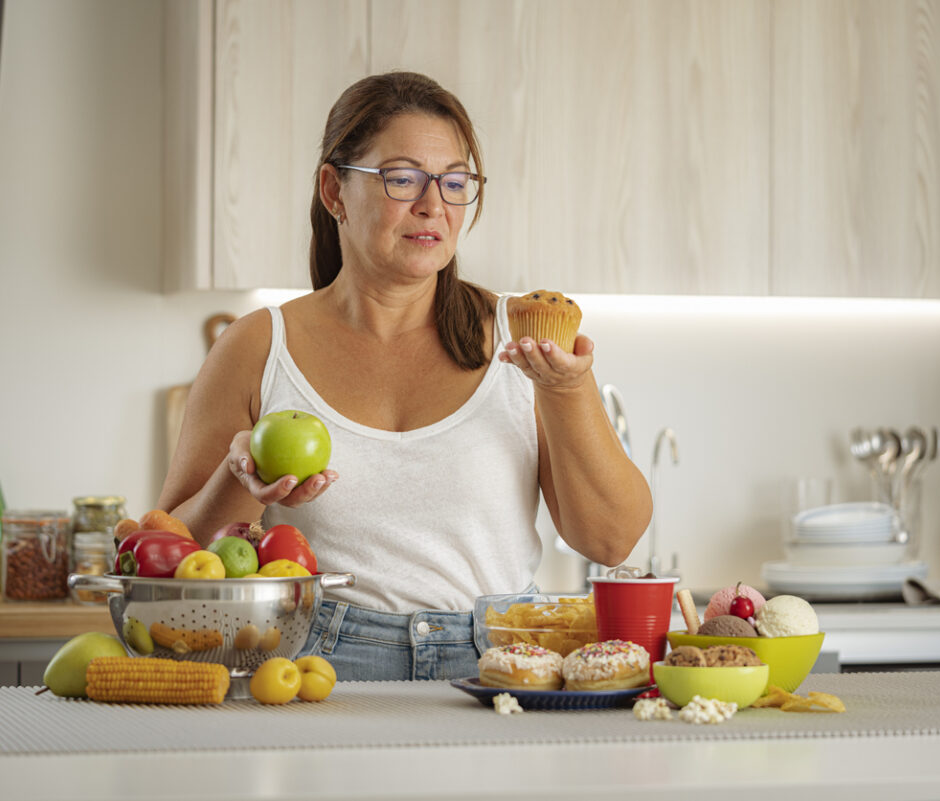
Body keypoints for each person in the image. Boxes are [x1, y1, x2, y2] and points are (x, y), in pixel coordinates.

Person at [157, 71, 652, 681]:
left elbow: (611, 542)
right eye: (402, 178)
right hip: (315, 670)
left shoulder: (519, 336)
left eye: (455, 182)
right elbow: (167, 561)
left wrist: (567, 389)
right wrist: (241, 481)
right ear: (334, 190)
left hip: (501, 668)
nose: (433, 205)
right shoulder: (259, 346)